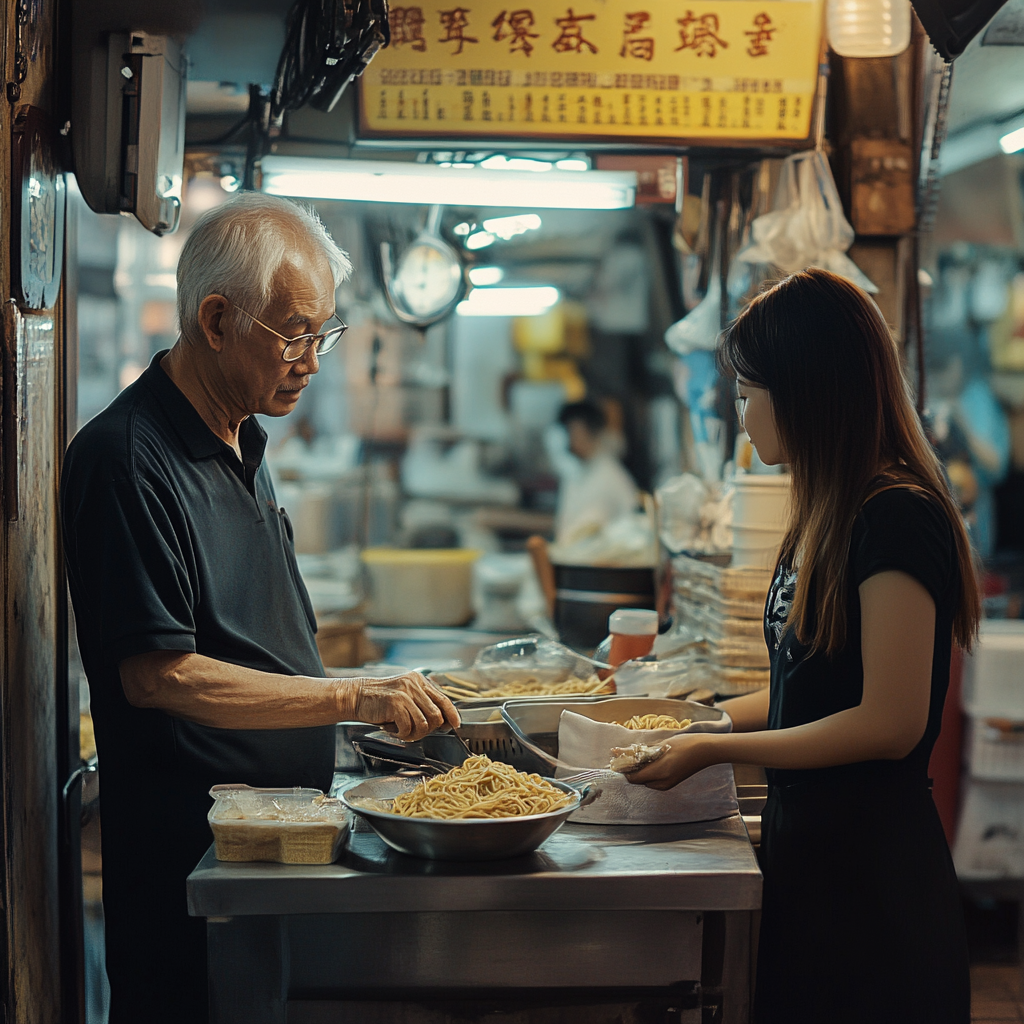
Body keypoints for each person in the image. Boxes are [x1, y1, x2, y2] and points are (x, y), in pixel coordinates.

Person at [60, 192, 459, 1024]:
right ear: (215, 318)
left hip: (267, 851)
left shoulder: (240, 434)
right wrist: (352, 697)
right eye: (296, 333)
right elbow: (158, 675)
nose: (314, 359)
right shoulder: (129, 459)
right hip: (190, 870)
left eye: (324, 333)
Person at [627, 269, 978, 1024]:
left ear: (808, 391)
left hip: (874, 888)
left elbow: (889, 722)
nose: (740, 410)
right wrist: (706, 720)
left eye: (750, 392)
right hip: (813, 866)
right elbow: (808, 686)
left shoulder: (896, 516)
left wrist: (714, 753)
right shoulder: (830, 511)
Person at [553, 399, 638, 545]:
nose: (569, 440)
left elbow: (632, 527)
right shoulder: (574, 474)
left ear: (591, 432)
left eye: (573, 431)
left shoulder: (611, 475)